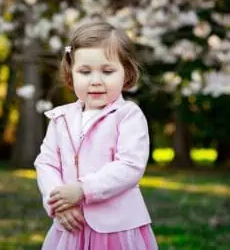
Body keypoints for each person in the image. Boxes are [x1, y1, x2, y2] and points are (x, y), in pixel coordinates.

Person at [34, 20, 158, 249]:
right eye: (85, 72)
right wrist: (58, 203)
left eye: (108, 71)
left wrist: (82, 190)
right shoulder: (60, 118)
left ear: (126, 73)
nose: (96, 81)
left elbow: (130, 165)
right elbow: (46, 162)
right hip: (71, 225)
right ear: (70, 74)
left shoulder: (128, 116)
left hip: (117, 229)